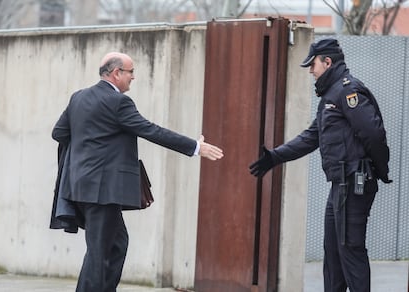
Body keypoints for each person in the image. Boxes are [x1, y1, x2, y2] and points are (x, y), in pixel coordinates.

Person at [51, 52, 224, 292]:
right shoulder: (118, 102)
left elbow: (59, 133)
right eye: (131, 71)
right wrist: (195, 147)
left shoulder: (78, 98)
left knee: (116, 244)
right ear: (116, 73)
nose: (134, 77)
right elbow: (150, 130)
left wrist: (89, 151)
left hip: (81, 186)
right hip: (104, 190)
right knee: (100, 251)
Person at [249, 38, 391, 292]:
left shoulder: (347, 92)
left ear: (328, 62)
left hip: (355, 183)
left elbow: (373, 134)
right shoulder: (330, 97)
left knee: (350, 249)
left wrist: (379, 170)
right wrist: (275, 157)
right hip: (341, 184)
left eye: (313, 65)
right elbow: (311, 137)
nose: (311, 71)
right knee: (333, 252)